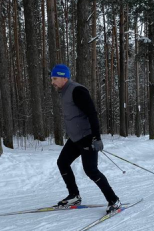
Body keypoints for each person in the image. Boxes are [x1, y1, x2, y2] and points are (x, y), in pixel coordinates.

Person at [50, 64, 120, 214]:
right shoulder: (64, 92)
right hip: (75, 138)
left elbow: (92, 114)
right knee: (62, 162)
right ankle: (74, 195)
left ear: (64, 77)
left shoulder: (77, 90)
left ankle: (113, 200)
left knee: (91, 170)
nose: (52, 82)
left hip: (87, 137)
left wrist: (96, 137)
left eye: (54, 78)